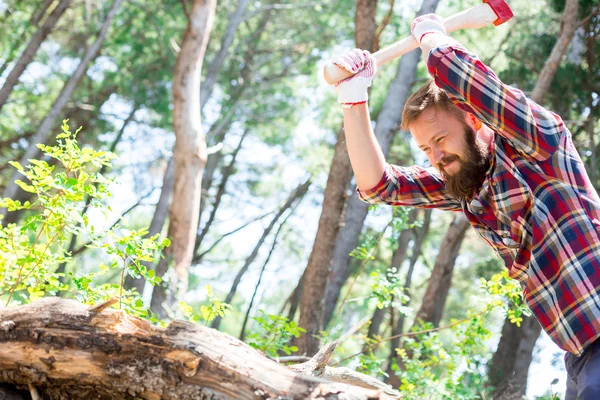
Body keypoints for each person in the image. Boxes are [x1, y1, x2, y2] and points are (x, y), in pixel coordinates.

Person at [331, 13, 600, 399]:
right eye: (426, 148)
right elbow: (379, 185)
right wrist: (353, 101)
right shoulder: (469, 186)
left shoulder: (537, 145)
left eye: (441, 139)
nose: (436, 156)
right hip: (577, 353)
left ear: (475, 121)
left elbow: (465, 80)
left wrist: (430, 35)